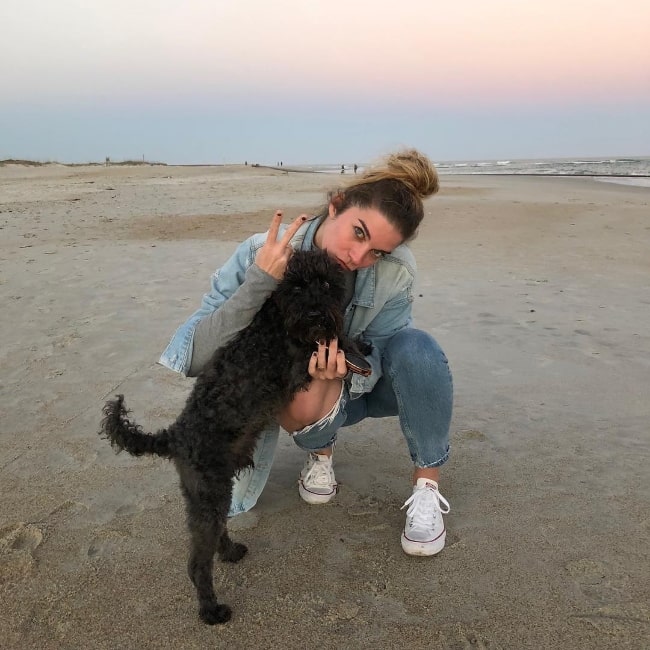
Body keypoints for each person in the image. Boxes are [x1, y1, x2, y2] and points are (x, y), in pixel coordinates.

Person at [159, 149, 453, 556]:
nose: (357, 258)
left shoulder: (397, 270)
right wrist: (259, 283)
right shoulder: (260, 252)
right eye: (359, 233)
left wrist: (347, 372)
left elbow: (385, 350)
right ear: (336, 207)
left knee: (419, 350)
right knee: (302, 385)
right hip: (296, 401)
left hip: (357, 392)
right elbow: (193, 357)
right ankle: (321, 452)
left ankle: (427, 486)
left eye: (377, 253)